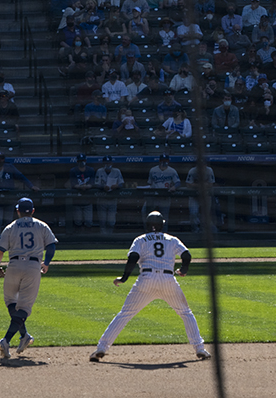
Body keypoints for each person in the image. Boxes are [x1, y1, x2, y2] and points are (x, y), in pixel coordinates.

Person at [90, 211, 211, 362]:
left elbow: (133, 257)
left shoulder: (141, 239)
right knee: (185, 313)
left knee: (125, 314)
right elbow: (186, 255)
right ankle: (200, 349)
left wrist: (124, 278)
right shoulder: (172, 239)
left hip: (146, 280)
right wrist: (183, 270)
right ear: (163, 224)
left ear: (146, 225)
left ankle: (102, 348)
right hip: (168, 280)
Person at [0, 197, 57, 358]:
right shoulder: (41, 225)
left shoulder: (11, 226)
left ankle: (21, 337)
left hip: (13, 266)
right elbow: (51, 246)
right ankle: (9, 340)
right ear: (33, 211)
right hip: (33, 267)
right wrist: (46, 263)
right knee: (25, 308)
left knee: (11, 302)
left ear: (18, 211)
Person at [0, 152, 36, 233]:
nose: (0, 160)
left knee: (8, 222)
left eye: (2, 158)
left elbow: (21, 177)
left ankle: (9, 240)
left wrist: (31, 186)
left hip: (9, 198)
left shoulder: (10, 168)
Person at [146, 154, 180, 220]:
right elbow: (149, 183)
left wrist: (174, 187)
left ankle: (163, 230)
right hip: (154, 197)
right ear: (159, 161)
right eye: (162, 160)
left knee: (164, 218)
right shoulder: (153, 170)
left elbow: (178, 182)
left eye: (165, 161)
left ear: (168, 161)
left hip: (165, 197)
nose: (164, 162)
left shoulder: (172, 171)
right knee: (149, 215)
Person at [94, 155, 124, 233]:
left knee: (111, 222)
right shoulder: (99, 171)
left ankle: (110, 237)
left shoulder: (117, 171)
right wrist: (103, 187)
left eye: (109, 162)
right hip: (102, 198)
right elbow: (96, 184)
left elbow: (121, 183)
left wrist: (116, 185)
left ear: (112, 163)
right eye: (106, 163)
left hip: (112, 198)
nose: (108, 164)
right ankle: (103, 239)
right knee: (102, 221)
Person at [68, 153, 95, 228]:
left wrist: (87, 186)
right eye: (80, 161)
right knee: (78, 222)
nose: (82, 162)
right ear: (77, 162)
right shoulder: (73, 171)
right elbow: (73, 184)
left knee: (89, 222)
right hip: (77, 200)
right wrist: (80, 187)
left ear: (86, 161)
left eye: (83, 160)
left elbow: (93, 183)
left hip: (88, 200)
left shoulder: (90, 170)